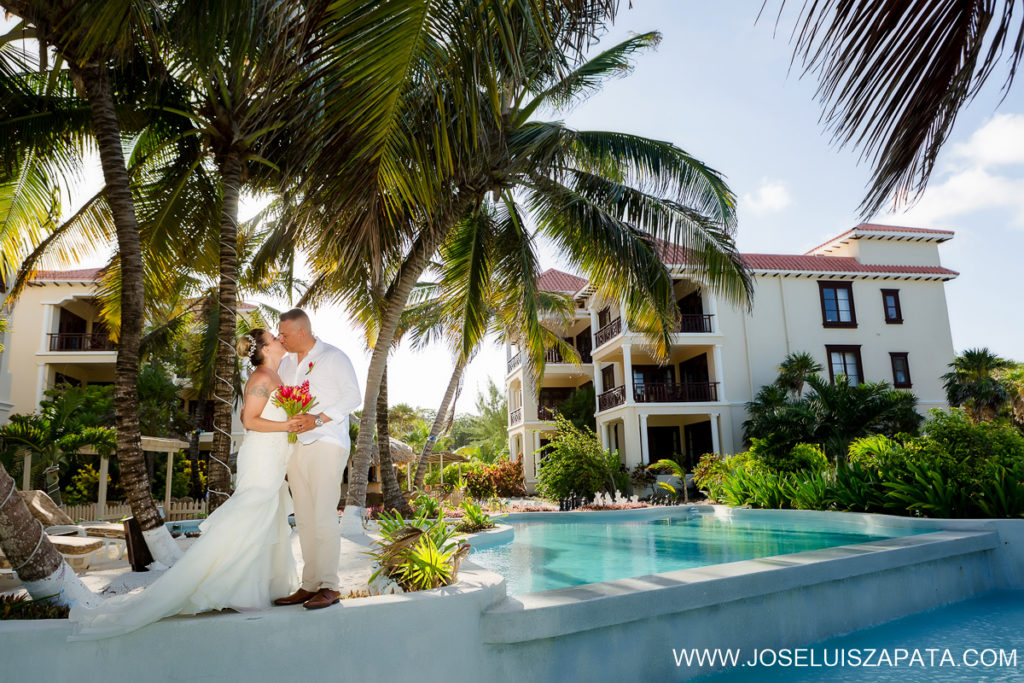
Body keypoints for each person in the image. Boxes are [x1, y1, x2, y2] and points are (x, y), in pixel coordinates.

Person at [68, 330, 298, 639]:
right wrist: (289, 424)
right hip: (261, 456)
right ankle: (216, 584)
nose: (281, 339)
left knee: (264, 518)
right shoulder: (261, 377)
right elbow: (249, 420)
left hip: (274, 457)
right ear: (266, 348)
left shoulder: (275, 374)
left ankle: (256, 588)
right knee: (249, 516)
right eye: (275, 336)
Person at [273, 308, 361, 610]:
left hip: (327, 441)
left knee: (323, 515)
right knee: (305, 518)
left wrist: (318, 419)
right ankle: (309, 584)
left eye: (284, 334)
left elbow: (352, 397)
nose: (281, 338)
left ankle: (329, 585)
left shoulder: (334, 357)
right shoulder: (284, 365)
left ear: (302, 331)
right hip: (296, 447)